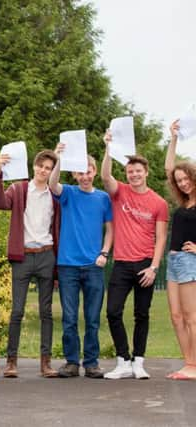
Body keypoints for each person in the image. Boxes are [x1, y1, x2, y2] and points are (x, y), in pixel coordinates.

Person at [101, 130, 168, 380]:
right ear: (127, 174)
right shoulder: (120, 193)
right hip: (121, 264)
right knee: (113, 312)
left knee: (142, 314)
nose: (134, 174)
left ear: (146, 173)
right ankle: (123, 361)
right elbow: (105, 175)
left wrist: (154, 267)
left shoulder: (159, 203)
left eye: (138, 171)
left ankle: (139, 361)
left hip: (144, 265)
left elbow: (161, 237)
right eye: (130, 171)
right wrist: (108, 148)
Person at [0, 149, 60, 378]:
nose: (44, 170)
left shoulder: (54, 194)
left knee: (46, 312)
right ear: (34, 166)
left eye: (48, 168)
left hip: (46, 255)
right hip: (23, 255)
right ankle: (11, 362)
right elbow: (0, 202)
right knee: (17, 311)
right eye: (41, 166)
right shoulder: (20, 189)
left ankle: (46, 362)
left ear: (52, 171)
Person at [49, 145, 113, 379]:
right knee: (69, 318)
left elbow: (110, 229)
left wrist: (104, 253)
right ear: (74, 175)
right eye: (80, 173)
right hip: (68, 266)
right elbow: (52, 184)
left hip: (94, 266)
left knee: (93, 318)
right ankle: (72, 362)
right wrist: (58, 159)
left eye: (88, 171)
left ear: (94, 171)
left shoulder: (103, 198)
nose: (84, 176)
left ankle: (92, 362)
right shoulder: (68, 193)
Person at [164, 120, 196, 380]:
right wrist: (173, 138)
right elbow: (168, 168)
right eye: (179, 180)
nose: (183, 183)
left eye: (186, 179)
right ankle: (188, 363)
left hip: (189, 261)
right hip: (173, 262)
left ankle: (194, 366)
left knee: (191, 316)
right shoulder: (183, 202)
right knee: (176, 317)